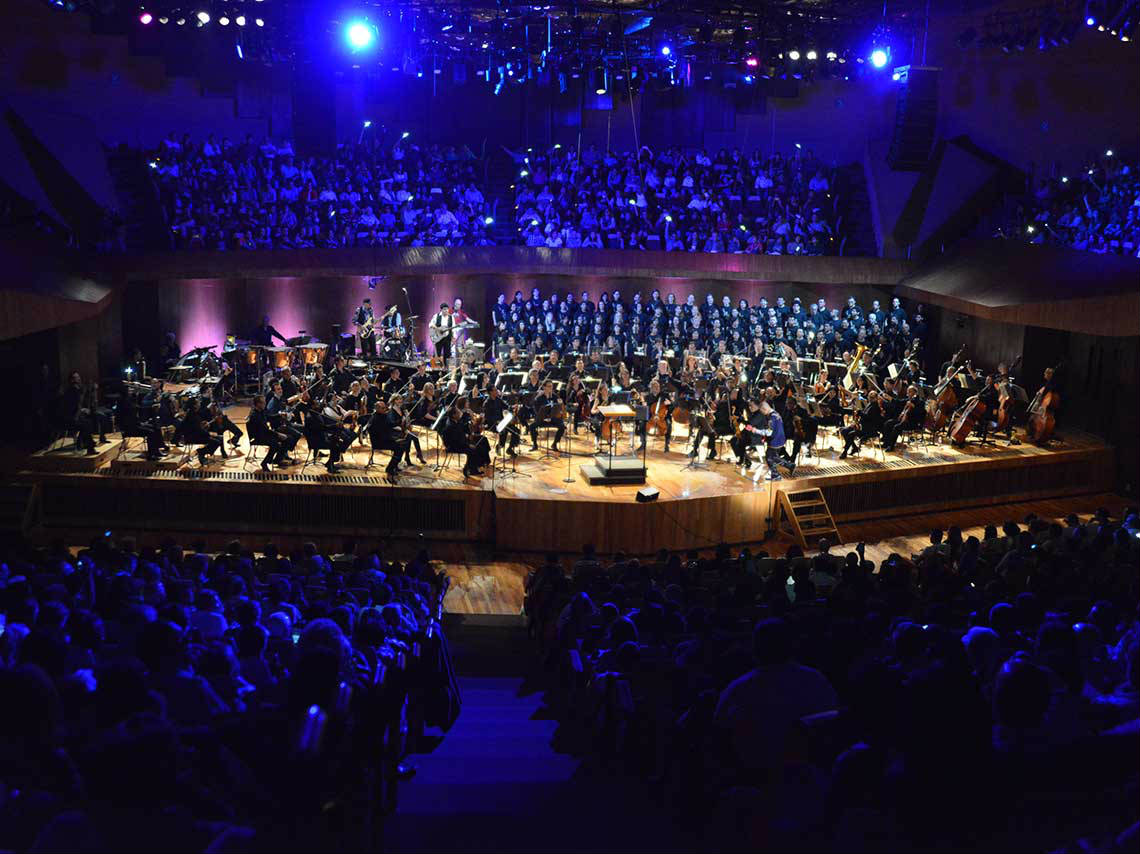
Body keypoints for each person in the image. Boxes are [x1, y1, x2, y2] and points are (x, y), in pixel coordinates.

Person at [714, 618, 838, 774]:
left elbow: (721, 730)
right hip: (805, 773)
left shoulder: (739, 688)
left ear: (755, 648)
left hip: (757, 776)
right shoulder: (815, 680)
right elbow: (832, 722)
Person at [248, 394, 297, 470]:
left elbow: (269, 417)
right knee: (275, 444)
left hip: (265, 434)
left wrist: (280, 415)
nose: (265, 404)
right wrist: (278, 434)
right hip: (259, 436)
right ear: (258, 404)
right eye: (263, 402)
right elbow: (264, 430)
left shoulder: (261, 411)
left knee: (289, 439)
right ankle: (265, 463)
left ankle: (278, 460)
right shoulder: (254, 415)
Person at [529, 379, 565, 452]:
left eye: (552, 386)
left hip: (553, 418)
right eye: (549, 386)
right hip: (542, 418)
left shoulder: (555, 396)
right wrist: (542, 416)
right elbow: (535, 409)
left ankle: (554, 444)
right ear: (544, 387)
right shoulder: (539, 398)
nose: (551, 388)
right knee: (532, 426)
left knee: (562, 426)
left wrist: (561, 404)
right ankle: (535, 444)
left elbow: (559, 408)